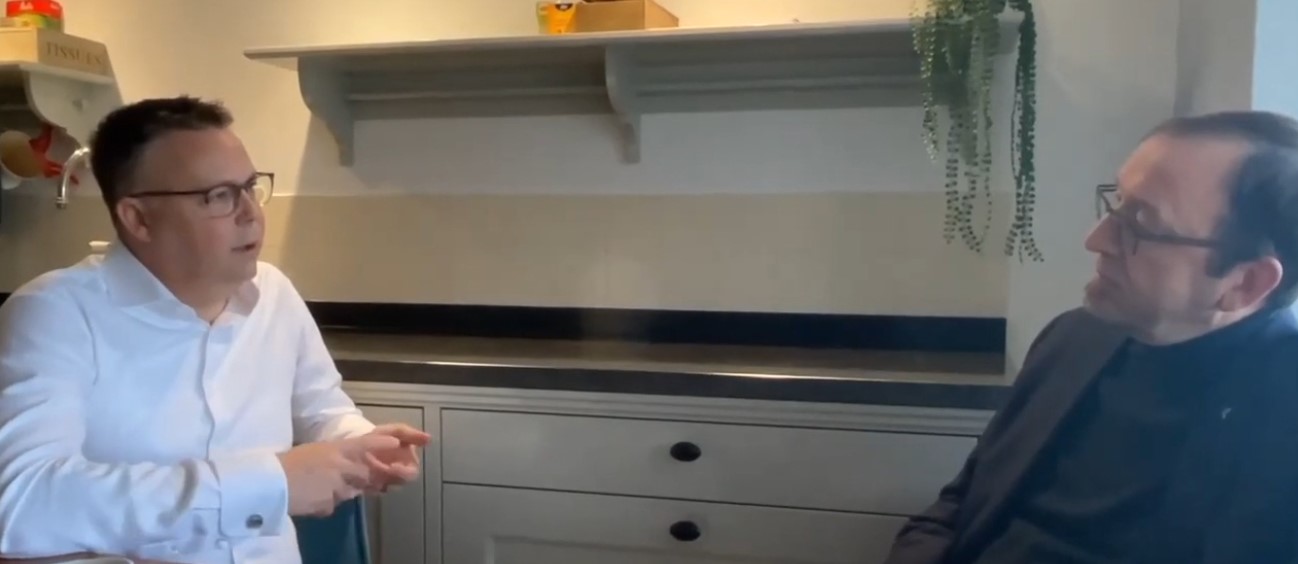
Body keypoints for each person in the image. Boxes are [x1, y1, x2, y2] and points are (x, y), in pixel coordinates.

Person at [0, 96, 431, 563]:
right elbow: (19, 502)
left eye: (249, 187)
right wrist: (272, 482)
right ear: (138, 218)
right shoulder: (54, 313)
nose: (251, 213)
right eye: (219, 196)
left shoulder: (275, 293)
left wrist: (363, 444)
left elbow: (322, 407)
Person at [884, 110, 1298, 564]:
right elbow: (957, 505)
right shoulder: (1073, 339)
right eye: (1115, 204)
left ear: (1246, 283)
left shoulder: (1281, 414)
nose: (1096, 239)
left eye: (1140, 223)